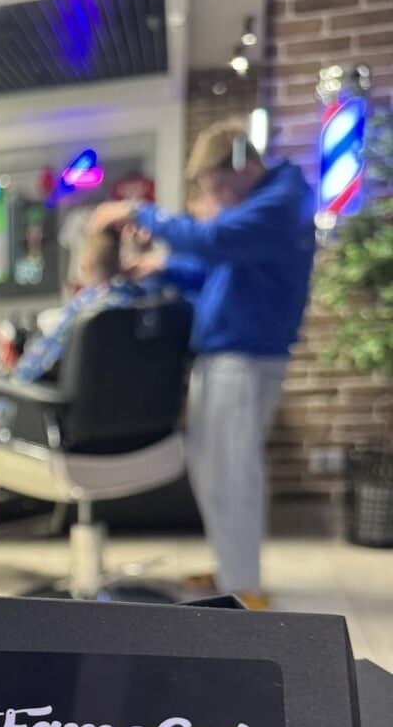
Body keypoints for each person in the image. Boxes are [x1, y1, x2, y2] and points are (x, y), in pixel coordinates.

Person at [90, 120, 315, 608]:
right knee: (211, 470)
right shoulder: (257, 208)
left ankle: (245, 587)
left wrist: (136, 211)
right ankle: (231, 571)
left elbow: (214, 240)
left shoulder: (280, 202)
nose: (214, 198)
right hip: (222, 356)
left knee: (234, 471)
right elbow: (211, 270)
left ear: (241, 164)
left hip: (246, 359)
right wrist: (162, 267)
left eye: (216, 187)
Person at [14, 228, 143, 384]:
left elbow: (34, 367)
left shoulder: (85, 306)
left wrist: (15, 376)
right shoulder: (144, 301)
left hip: (83, 395)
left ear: (85, 266)